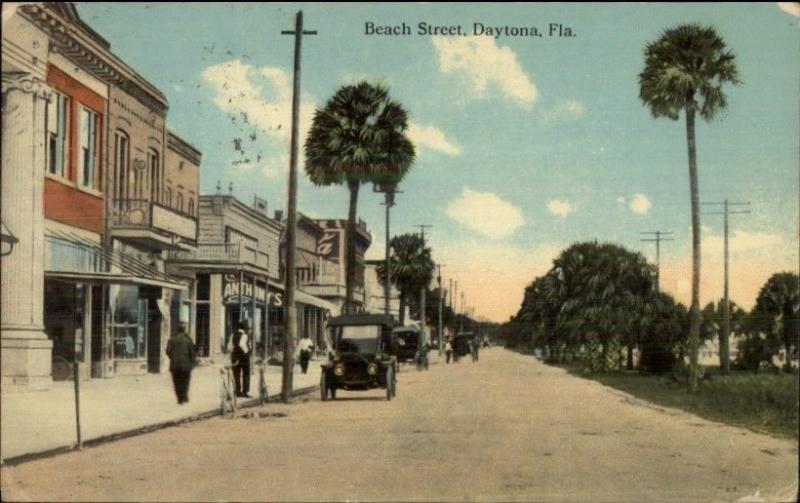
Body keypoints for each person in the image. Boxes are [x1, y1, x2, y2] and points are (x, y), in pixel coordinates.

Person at [166, 322, 196, 405]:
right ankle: (184, 396)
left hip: (174, 365)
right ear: (184, 330)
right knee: (185, 381)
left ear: (177, 330)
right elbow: (192, 352)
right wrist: (193, 362)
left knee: (177, 382)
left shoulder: (172, 339)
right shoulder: (188, 339)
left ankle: (179, 398)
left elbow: (167, 351)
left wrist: (173, 357)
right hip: (186, 365)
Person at [229, 322, 252, 398]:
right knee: (246, 374)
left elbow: (229, 347)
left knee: (236, 375)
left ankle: (237, 391)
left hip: (234, 358)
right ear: (244, 328)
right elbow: (241, 344)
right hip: (244, 358)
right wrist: (247, 351)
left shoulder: (232, 335)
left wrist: (233, 353)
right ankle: (245, 391)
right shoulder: (244, 335)